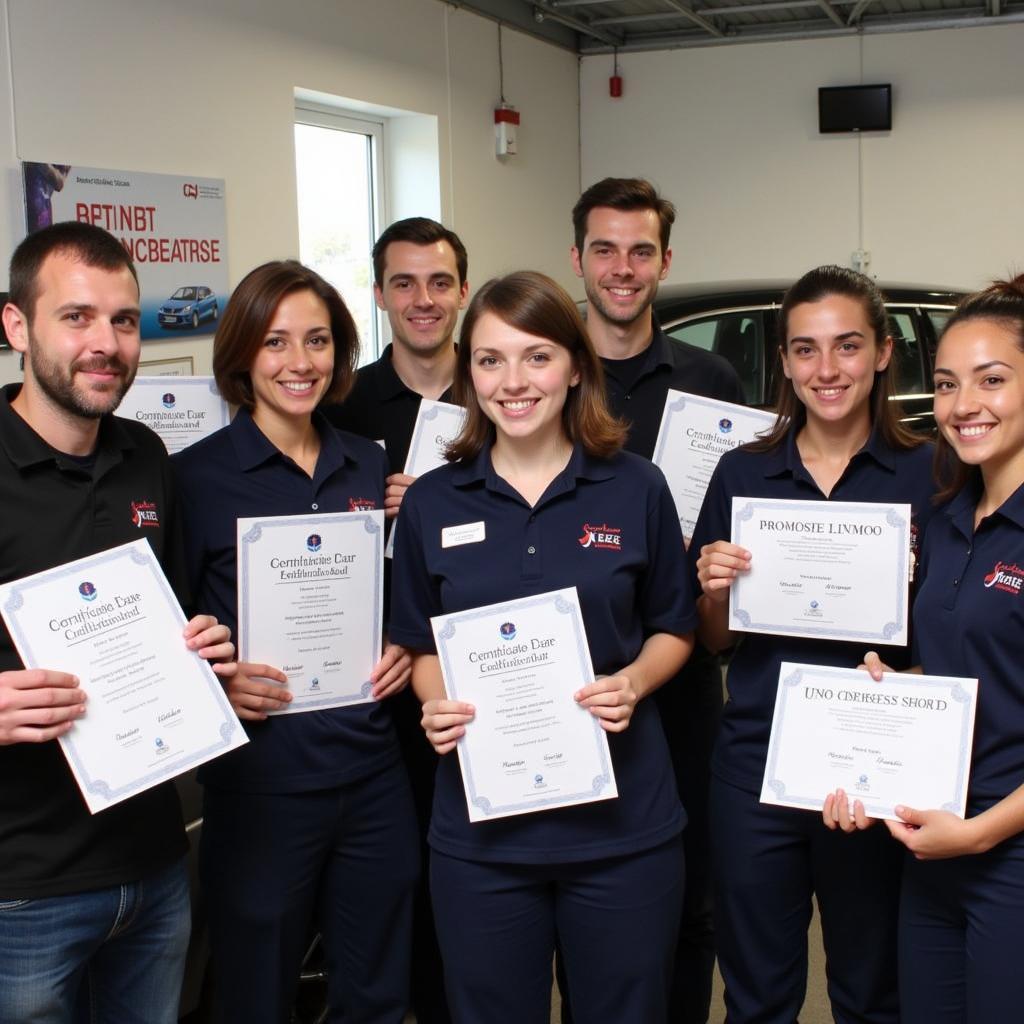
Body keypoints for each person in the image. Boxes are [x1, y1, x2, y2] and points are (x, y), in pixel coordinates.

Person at [389, 270, 696, 1024]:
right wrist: (436, 703)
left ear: (574, 366)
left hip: (623, 832)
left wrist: (633, 681)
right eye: (491, 360)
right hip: (483, 839)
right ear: (470, 375)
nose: (513, 381)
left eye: (536, 356)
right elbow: (419, 643)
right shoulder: (433, 499)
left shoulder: (635, 487)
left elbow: (675, 627)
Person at [0, 221, 234, 1023]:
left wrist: (200, 646)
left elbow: (166, 618)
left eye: (124, 321)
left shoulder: (145, 458)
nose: (106, 343)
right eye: (77, 317)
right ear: (16, 325)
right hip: (22, 892)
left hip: (154, 864)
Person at [172, 261, 418, 1022]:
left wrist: (402, 644)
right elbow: (165, 640)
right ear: (242, 354)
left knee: (376, 990)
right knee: (256, 995)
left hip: (373, 774)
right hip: (262, 786)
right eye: (275, 342)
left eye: (317, 340)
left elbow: (385, 597)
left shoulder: (367, 462)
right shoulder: (193, 479)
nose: (299, 362)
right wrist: (215, 682)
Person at [691, 265, 936, 1024]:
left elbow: (958, 640)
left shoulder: (934, 474)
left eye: (847, 346)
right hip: (755, 765)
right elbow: (714, 640)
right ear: (785, 360)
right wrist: (714, 588)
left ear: (884, 353)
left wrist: (921, 587)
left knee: (871, 989)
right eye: (805, 350)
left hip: (875, 764)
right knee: (757, 994)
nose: (826, 371)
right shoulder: (745, 471)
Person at [825, 275, 1024, 1022]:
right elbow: (965, 669)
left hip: (1005, 849)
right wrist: (892, 688)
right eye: (946, 384)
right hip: (933, 844)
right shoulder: (948, 517)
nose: (964, 404)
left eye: (992, 380)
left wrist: (976, 834)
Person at [569, 176, 744, 1023]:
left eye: (641, 251)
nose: (623, 268)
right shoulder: (547, 375)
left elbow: (745, 516)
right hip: (565, 680)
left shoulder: (713, 382)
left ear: (665, 260)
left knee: (689, 901)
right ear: (578, 259)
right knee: (573, 894)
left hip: (678, 683)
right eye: (605, 249)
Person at [324, 216, 469, 1023]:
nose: (423, 299)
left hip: (485, 673)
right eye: (404, 283)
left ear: (462, 292)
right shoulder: (342, 406)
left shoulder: (500, 390)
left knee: (477, 883)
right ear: (379, 294)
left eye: (439, 282)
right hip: (380, 680)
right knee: (399, 880)